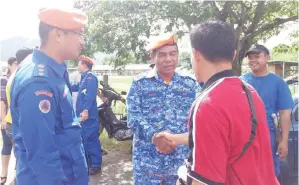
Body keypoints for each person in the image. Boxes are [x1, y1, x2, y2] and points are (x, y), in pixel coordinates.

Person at [156, 20, 279, 185]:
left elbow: (205, 181)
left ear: (196, 54)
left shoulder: (208, 103)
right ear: (234, 55)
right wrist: (174, 138)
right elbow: (226, 136)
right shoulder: (250, 92)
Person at [10, 7, 89, 185]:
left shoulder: (52, 71)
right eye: (79, 33)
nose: (82, 41)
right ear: (58, 35)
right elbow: (42, 155)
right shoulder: (39, 82)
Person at [127, 33, 200, 185]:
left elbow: (198, 119)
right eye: (162, 55)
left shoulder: (190, 84)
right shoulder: (139, 84)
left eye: (173, 54)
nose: (168, 59)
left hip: (179, 159)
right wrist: (154, 137)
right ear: (153, 58)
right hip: (147, 160)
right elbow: (134, 118)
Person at [240, 44, 294, 178]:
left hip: (268, 134)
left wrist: (284, 140)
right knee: (245, 172)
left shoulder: (278, 83)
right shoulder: (241, 81)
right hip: (244, 135)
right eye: (250, 57)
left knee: (269, 172)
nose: (252, 60)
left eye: (257, 56)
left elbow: (285, 113)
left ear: (267, 58)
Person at [76, 55, 102, 175]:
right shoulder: (84, 78)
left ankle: (96, 165)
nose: (77, 66)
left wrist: (86, 110)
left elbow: (90, 96)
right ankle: (89, 163)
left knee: (91, 139)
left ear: (85, 65)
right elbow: (76, 87)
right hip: (83, 116)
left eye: (79, 64)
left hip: (88, 116)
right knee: (85, 139)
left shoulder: (91, 77)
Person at [0, 57, 16, 185]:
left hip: (15, 120)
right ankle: (4, 173)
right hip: (7, 119)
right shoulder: (5, 79)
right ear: (9, 65)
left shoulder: (18, 77)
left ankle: (16, 173)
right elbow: (2, 102)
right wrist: (3, 119)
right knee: (7, 145)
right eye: (15, 63)